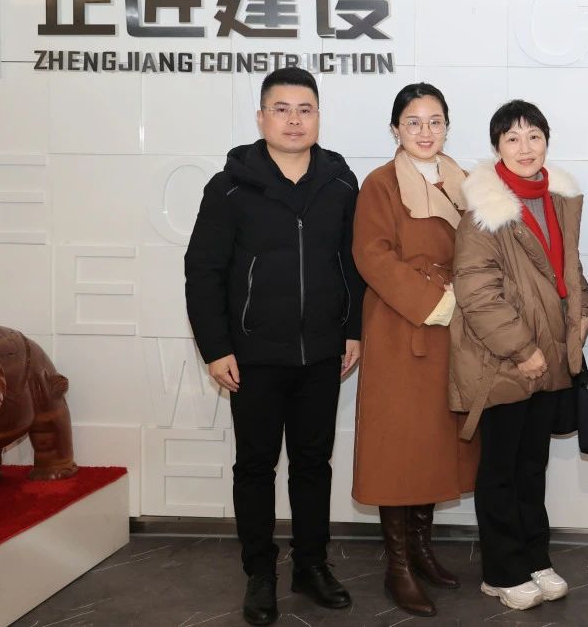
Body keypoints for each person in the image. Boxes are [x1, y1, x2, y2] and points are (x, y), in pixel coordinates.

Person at [184, 66, 364, 626]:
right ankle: (259, 573)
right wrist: (216, 347)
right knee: (255, 468)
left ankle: (311, 566)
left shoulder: (340, 183)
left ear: (318, 117)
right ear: (261, 117)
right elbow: (203, 271)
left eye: (304, 109)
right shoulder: (229, 186)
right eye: (281, 109)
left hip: (321, 354)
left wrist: (352, 329)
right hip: (253, 356)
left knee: (313, 465)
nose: (293, 120)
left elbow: (353, 265)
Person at [449, 100, 588, 612]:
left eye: (534, 136)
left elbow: (568, 271)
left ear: (546, 142)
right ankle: (501, 571)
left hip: (550, 358)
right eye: (512, 138)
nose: (525, 147)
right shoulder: (484, 211)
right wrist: (522, 349)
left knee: (533, 467)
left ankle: (535, 558)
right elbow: (476, 292)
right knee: (501, 470)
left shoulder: (557, 200)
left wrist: (584, 312)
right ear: (497, 148)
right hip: (503, 362)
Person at [350, 82, 479, 617]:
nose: (425, 132)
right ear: (395, 129)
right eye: (413, 122)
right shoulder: (381, 184)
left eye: (435, 121)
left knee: (435, 443)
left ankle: (423, 550)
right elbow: (372, 256)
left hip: (455, 329)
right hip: (402, 327)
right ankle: (398, 566)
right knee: (399, 447)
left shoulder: (465, 181)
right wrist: (433, 302)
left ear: (447, 126)